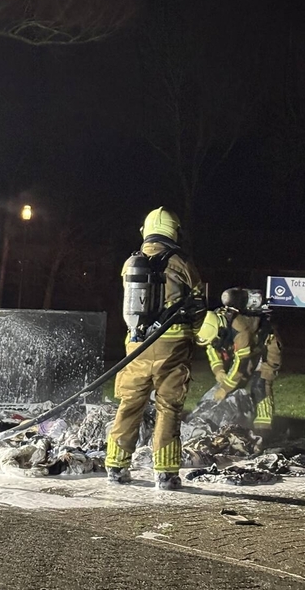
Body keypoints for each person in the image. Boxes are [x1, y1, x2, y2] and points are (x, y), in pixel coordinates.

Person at [105, 207, 204, 490]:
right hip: (172, 347)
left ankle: (115, 465)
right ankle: (166, 472)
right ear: (174, 230)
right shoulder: (181, 262)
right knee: (168, 407)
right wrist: (195, 332)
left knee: (129, 404)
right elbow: (198, 302)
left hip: (135, 345)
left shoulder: (130, 264)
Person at [195, 288, 282, 435]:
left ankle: (264, 429)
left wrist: (225, 389)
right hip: (251, 348)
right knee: (236, 385)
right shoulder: (213, 325)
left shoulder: (240, 330)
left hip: (267, 346)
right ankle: (239, 422)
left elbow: (241, 363)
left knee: (260, 384)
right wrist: (219, 371)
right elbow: (212, 349)